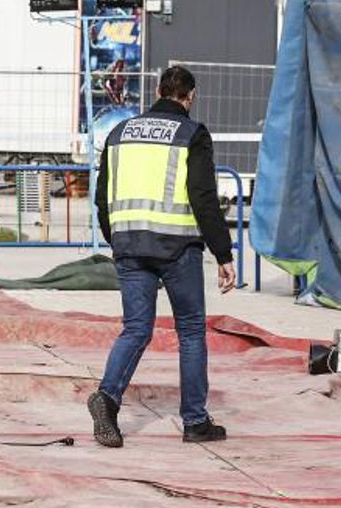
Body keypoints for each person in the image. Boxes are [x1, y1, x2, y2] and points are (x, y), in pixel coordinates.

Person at [89, 65, 237, 448]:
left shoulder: (120, 133)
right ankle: (195, 421)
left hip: (129, 246)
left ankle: (106, 397)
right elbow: (203, 197)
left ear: (157, 90)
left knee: (136, 329)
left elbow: (102, 195)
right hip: (177, 250)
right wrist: (224, 253)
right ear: (190, 96)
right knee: (189, 331)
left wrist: (116, 237)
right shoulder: (191, 134)